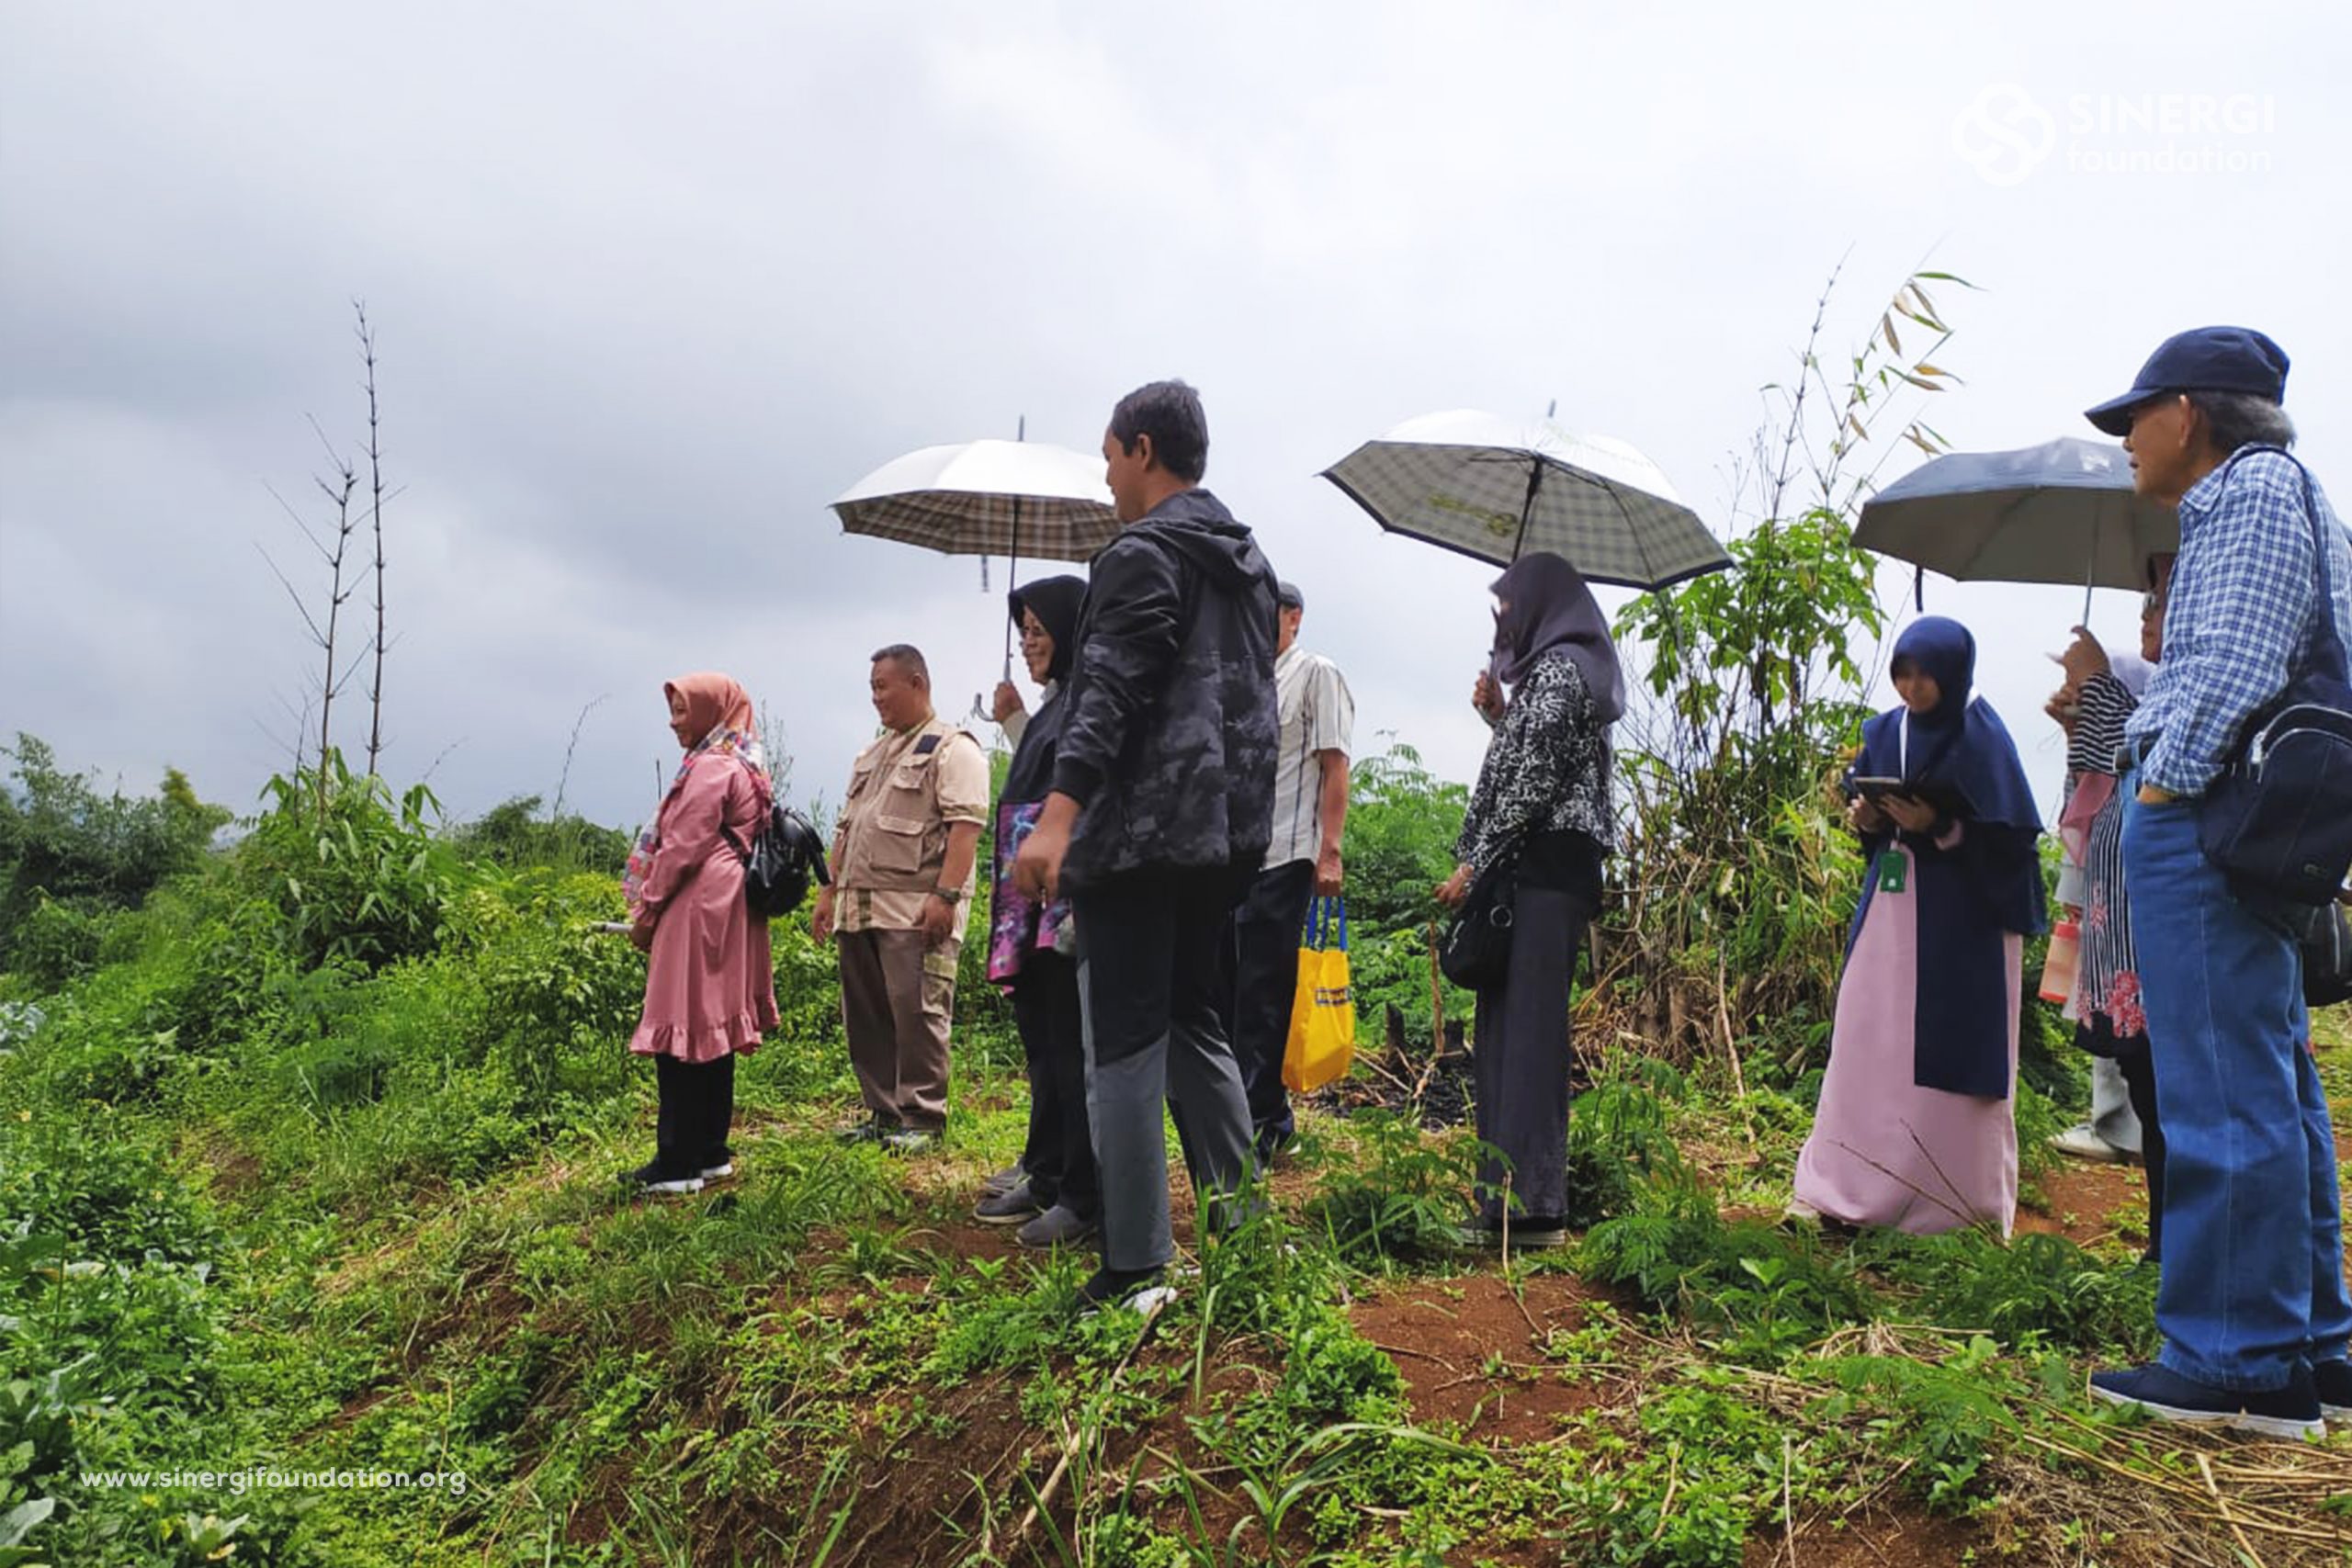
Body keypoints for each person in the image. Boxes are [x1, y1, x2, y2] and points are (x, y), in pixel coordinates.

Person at [2083, 325, 2352, 1440]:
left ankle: (2233, 1361)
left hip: (2206, 818)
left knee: (2217, 1087)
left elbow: (2232, 663)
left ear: (2187, 413)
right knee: (2270, 1077)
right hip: (2261, 825)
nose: (2126, 440)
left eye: (2133, 418)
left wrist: (2160, 785)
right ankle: (2313, 1348)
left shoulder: (2242, 495)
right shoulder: (2305, 500)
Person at [1012, 378, 1279, 1313]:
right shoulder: (1246, 562)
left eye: (1109, 457)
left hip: (1139, 837)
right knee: (1190, 1018)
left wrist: (1058, 817)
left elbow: (1113, 691)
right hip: (1221, 838)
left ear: (1142, 450)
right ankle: (1244, 1234)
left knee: (1121, 1040)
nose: (1106, 477)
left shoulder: (1139, 554)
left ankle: (1134, 1264)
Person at [1790, 616, 2044, 1236]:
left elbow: (2011, 846)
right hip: (1891, 913)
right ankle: (1848, 1189)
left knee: (1947, 1050)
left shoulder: (1982, 737)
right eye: (1902, 674)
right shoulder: (1884, 731)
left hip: (1962, 925)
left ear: (1953, 673)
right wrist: (1871, 820)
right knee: (1869, 1038)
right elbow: (1869, 821)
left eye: (1924, 676)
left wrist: (1943, 825)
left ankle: (1951, 1205)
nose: (1911, 688)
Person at [1433, 552, 1619, 1249]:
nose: (1502, 621)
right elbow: (1538, 756)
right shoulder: (1551, 674)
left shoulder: (1564, 670)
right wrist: (1500, 715)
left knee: (1530, 1037)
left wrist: (1474, 863)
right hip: (1533, 871)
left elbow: (1535, 783)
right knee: (1505, 1033)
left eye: (1510, 608)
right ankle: (1501, 1203)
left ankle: (1535, 1209)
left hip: (1545, 870)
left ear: (1543, 607)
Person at [2042, 563, 2172, 1263]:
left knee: (2169, 1095)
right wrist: (2077, 723)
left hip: (2158, 935)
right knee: (2151, 1090)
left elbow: (2143, 761)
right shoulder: (2154, 689)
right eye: (2146, 600)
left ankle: (2176, 1248)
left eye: (2158, 599)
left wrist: (2096, 683)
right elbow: (2091, 798)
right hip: (2124, 932)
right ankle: (2165, 1244)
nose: (2146, 614)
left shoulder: (2179, 689)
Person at [812, 645, 989, 1154]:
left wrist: (946, 896)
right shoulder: (870, 755)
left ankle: (923, 1119)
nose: (875, 698)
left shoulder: (954, 749)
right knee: (865, 1015)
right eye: (871, 688)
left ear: (916, 683)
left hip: (914, 910)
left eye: (882, 686)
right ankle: (883, 1112)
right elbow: (845, 829)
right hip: (859, 909)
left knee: (917, 1012)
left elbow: (965, 829)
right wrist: (828, 891)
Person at [976, 576, 1100, 1249]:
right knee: (1043, 1042)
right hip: (1028, 904)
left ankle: (1081, 1190)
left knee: (1069, 1043)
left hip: (1062, 900)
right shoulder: (1055, 705)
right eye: (1021, 630)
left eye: (1038, 629)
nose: (1027, 642)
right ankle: (1046, 1169)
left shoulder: (1086, 704)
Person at [622, 672, 779, 1194]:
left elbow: (682, 847)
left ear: (713, 710)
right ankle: (711, 1151)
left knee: (681, 1026)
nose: (673, 723)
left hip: (699, 907)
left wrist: (648, 911)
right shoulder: (746, 763)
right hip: (731, 906)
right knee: (713, 1029)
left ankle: (677, 1163)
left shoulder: (712, 768)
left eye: (682, 711)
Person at [1224, 579, 1354, 1163]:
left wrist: (1330, 851)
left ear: (1293, 616)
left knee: (1265, 993)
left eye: (1266, 612)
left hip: (1288, 853)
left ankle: (1261, 1127)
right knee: (1235, 991)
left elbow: (1335, 766)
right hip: (1238, 859)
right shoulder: (1247, 679)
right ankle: (1261, 1117)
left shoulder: (1315, 673)